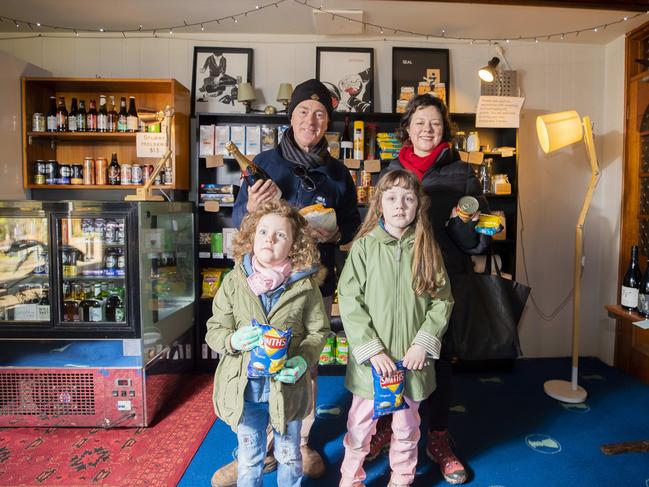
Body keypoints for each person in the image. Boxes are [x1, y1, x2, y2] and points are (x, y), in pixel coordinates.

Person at [211, 78, 361, 486]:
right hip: (261, 281)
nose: (311, 120)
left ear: (327, 123)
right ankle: (253, 451)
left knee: (302, 359)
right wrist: (252, 208)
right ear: (290, 117)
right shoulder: (264, 162)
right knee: (252, 357)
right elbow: (240, 222)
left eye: (319, 114)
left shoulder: (337, 172)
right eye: (302, 112)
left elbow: (352, 223)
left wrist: (336, 233)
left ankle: (300, 441)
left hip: (312, 278)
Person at [369, 94, 491, 485]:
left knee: (437, 359)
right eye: (420, 122)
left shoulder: (462, 175)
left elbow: (477, 242)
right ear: (407, 127)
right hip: (393, 283)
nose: (427, 129)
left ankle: (438, 438)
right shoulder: (389, 171)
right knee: (389, 355)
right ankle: (387, 428)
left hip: (441, 283)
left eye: (435, 123)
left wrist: (465, 225)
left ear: (444, 130)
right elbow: (373, 225)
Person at [337, 169, 454, 487]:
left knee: (407, 426)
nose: (400, 205)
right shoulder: (363, 248)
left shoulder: (427, 249)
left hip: (411, 361)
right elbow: (349, 300)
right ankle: (351, 476)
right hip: (372, 364)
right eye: (391, 198)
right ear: (379, 204)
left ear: (418, 205)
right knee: (360, 426)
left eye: (408, 198)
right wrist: (372, 349)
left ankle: (402, 476)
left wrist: (423, 343)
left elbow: (442, 301)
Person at [205, 199, 330, 487]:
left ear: (295, 245)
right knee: (250, 457)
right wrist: (232, 339)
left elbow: (318, 332)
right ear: (251, 236)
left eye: (280, 235)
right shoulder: (234, 282)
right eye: (263, 232)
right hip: (245, 390)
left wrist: (302, 360)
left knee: (289, 456)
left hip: (288, 389)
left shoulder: (305, 287)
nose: (270, 239)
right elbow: (214, 328)